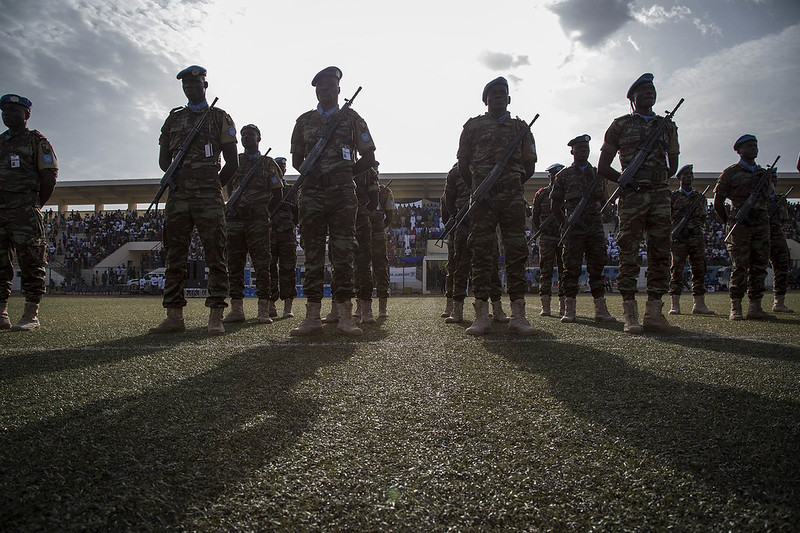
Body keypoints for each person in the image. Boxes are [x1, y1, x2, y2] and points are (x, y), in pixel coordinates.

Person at [149, 65, 238, 335]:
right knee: (175, 256)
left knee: (215, 255)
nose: (190, 88)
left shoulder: (219, 117)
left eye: (195, 84)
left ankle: (215, 316)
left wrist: (212, 187)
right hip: (179, 197)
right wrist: (178, 181)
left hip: (208, 197)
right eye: (186, 85)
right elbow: (165, 160)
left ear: (205, 86)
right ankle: (174, 316)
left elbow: (232, 163)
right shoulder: (174, 119)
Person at [289, 66, 376, 336]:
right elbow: (296, 160)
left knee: (343, 256)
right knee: (313, 256)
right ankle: (312, 317)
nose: (324, 90)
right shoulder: (303, 121)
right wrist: (312, 171)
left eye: (328, 86)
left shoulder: (352, 119)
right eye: (319, 87)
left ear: (339, 89)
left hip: (342, 196)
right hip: (312, 195)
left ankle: (345, 316)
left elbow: (370, 157)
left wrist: (346, 171)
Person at [597, 73, 680, 334]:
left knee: (661, 252)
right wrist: (626, 180)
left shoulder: (667, 126)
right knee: (629, 253)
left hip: (659, 196)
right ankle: (630, 313)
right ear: (632, 98)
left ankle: (654, 312)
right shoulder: (620, 125)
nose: (649, 93)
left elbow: (673, 165)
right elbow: (603, 166)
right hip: (632, 197)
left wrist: (656, 180)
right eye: (643, 90)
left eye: (652, 89)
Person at [457, 76, 537, 335]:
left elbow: (529, 165)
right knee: (480, 253)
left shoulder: (521, 127)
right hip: (483, 198)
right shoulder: (473, 126)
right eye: (493, 94)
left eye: (503, 93)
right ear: (486, 100)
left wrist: (510, 182)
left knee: (516, 252)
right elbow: (462, 163)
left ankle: (518, 314)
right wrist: (479, 188)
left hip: (512, 197)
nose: (498, 97)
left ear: (509, 98)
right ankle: (481, 315)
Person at [0, 93, 58, 331]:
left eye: (14, 110)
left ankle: (30, 314)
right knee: (1, 264)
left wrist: (34, 204)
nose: (8, 115)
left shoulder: (36, 141)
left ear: (27, 115)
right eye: (4, 111)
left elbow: (49, 176)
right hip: (1, 211)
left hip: (24, 209)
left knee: (32, 261)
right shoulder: (1, 142)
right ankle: (1, 313)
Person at [550, 134, 616, 323]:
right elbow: (555, 205)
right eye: (579, 149)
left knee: (597, 267)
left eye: (586, 149)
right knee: (571, 268)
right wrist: (565, 223)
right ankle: (569, 309)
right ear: (572, 151)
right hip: (574, 229)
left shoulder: (597, 174)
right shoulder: (563, 175)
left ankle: (600, 309)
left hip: (594, 227)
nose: (583, 152)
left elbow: (605, 200)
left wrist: (600, 212)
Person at [222, 124, 282, 324]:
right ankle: (237, 309)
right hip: (236, 219)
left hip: (258, 220)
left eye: (251, 134)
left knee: (262, 264)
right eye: (244, 135)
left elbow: (277, 194)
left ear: (259, 138)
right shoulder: (235, 162)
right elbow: (227, 185)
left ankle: (264, 309)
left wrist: (265, 213)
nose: (247, 137)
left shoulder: (268, 163)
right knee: (235, 264)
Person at [713, 134, 775, 320]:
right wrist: (730, 221)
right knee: (739, 266)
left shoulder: (763, 174)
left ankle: (755, 306)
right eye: (749, 146)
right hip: (740, 226)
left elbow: (769, 198)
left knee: (759, 266)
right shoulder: (730, 173)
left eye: (755, 145)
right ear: (739, 150)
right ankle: (736, 307)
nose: (753, 148)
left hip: (761, 225)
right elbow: (718, 202)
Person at [668, 164, 714, 315]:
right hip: (679, 238)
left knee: (699, 269)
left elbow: (703, 217)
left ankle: (699, 304)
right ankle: (675, 304)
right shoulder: (673, 197)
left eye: (690, 175)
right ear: (679, 178)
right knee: (677, 270)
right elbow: (667, 217)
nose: (688, 177)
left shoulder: (699, 198)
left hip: (695, 237)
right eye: (685, 175)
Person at [532, 163, 565, 316]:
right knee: (546, 271)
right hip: (547, 237)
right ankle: (545, 305)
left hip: (564, 236)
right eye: (553, 175)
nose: (555, 178)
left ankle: (564, 304)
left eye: (558, 175)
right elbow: (535, 217)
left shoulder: (568, 193)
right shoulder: (541, 194)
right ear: (549, 176)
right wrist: (541, 227)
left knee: (566, 271)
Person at [268, 156, 298, 318]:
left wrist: (292, 224)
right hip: (270, 233)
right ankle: (271, 305)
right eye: (279, 166)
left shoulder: (291, 190)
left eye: (283, 166)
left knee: (288, 269)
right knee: (269, 269)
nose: (282, 168)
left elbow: (298, 213)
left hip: (287, 234)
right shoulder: (267, 188)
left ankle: (288, 306)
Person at [352, 165, 379, 322]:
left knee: (363, 265)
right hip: (339, 219)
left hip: (360, 220)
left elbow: (374, 199)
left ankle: (366, 308)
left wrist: (361, 212)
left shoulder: (368, 170)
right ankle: (339, 308)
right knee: (340, 264)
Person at [369, 164, 394, 317]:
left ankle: (382, 306)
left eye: (374, 172)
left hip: (377, 234)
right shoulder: (358, 190)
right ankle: (362, 305)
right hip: (361, 233)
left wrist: (378, 229)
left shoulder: (384, 192)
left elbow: (389, 217)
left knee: (380, 269)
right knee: (360, 269)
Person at [768, 171, 794, 313]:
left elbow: (784, 219)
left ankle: (779, 302)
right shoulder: (757, 198)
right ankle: (754, 303)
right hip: (760, 235)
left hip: (777, 235)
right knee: (756, 269)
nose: (774, 181)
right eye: (771, 178)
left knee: (782, 266)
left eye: (775, 179)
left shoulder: (780, 200)